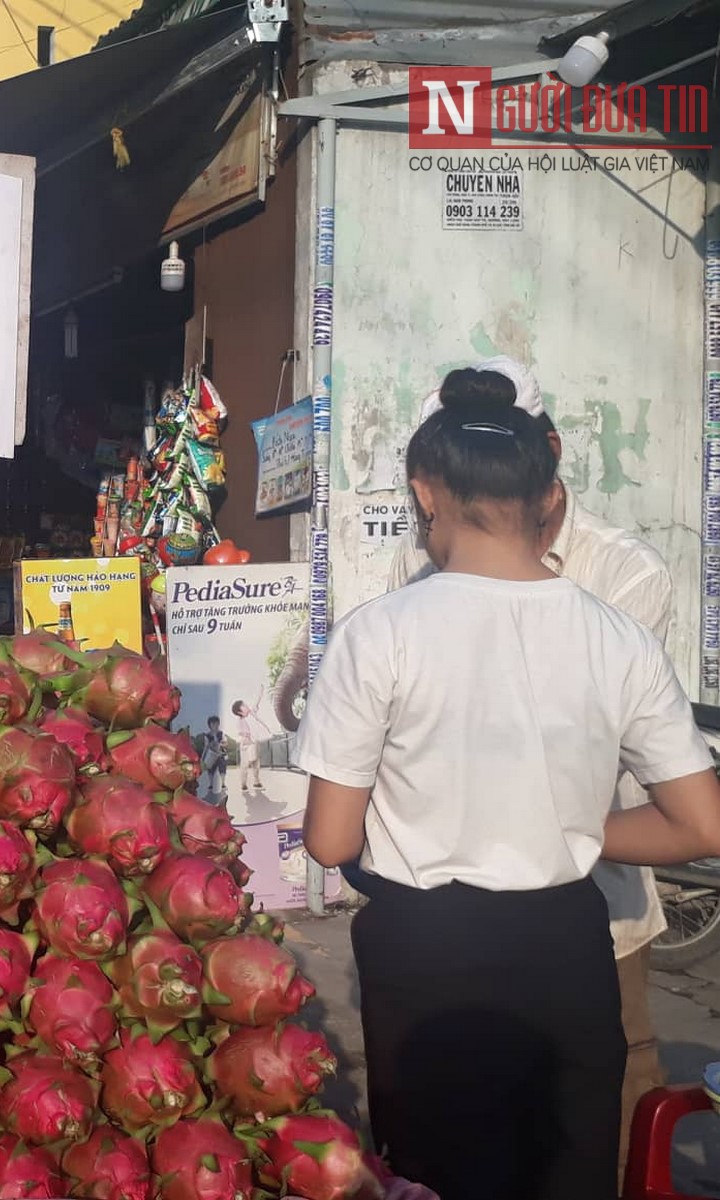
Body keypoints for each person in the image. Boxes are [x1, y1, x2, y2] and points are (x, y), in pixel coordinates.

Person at [295, 368, 720, 1200]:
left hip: (427, 960)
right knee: (568, 1170)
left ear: (426, 491)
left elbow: (330, 841)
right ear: (544, 492)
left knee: (439, 1176)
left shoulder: (378, 634)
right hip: (567, 946)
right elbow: (703, 823)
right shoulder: (617, 637)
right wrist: (578, 827)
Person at [386, 358, 676, 1181]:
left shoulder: (622, 578)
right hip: (446, 936)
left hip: (596, 922)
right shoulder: (421, 574)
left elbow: (585, 746)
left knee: (595, 1143)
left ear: (543, 456)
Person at [230, 691, 270, 794]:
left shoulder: (252, 714)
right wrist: (247, 737)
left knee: (256, 762)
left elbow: (256, 704)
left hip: (254, 742)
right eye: (243, 705)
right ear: (239, 712)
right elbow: (241, 733)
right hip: (246, 745)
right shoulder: (240, 721)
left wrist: (260, 694)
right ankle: (243, 784)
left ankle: (256, 782)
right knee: (245, 765)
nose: (246, 705)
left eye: (244, 704)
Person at [196, 716, 228, 802]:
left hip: (221, 754)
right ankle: (211, 784)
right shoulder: (207, 735)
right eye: (213, 723)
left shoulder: (221, 733)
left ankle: (223, 784)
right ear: (209, 725)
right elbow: (206, 746)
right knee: (210, 770)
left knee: (222, 768)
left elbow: (225, 743)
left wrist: (221, 744)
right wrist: (202, 758)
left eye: (216, 723)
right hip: (212, 755)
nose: (215, 725)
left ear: (218, 723)